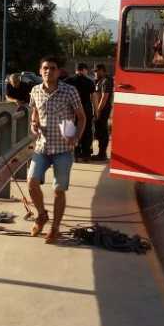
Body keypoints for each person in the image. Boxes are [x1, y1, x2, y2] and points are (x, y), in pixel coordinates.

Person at [28, 56, 87, 243]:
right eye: (45, 68)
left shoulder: (70, 91)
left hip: (63, 149)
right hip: (42, 148)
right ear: (40, 70)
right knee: (31, 182)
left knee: (58, 190)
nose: (48, 71)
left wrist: (76, 137)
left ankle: (55, 228)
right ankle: (42, 215)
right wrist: (33, 124)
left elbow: (82, 117)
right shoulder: (35, 91)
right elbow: (34, 113)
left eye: (52, 68)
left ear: (59, 72)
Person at [65, 63, 96, 161]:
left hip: (72, 109)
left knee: (74, 131)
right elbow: (94, 98)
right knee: (86, 131)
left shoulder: (68, 81)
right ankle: (86, 154)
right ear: (84, 70)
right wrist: (96, 111)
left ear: (76, 70)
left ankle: (76, 154)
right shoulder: (89, 81)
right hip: (86, 108)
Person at [91, 64, 114, 160]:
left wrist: (98, 111)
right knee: (99, 130)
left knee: (102, 131)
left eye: (97, 71)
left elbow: (104, 98)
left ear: (102, 71)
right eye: (94, 71)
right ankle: (100, 153)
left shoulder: (106, 81)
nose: (95, 73)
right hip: (99, 109)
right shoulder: (99, 81)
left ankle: (102, 154)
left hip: (102, 109)